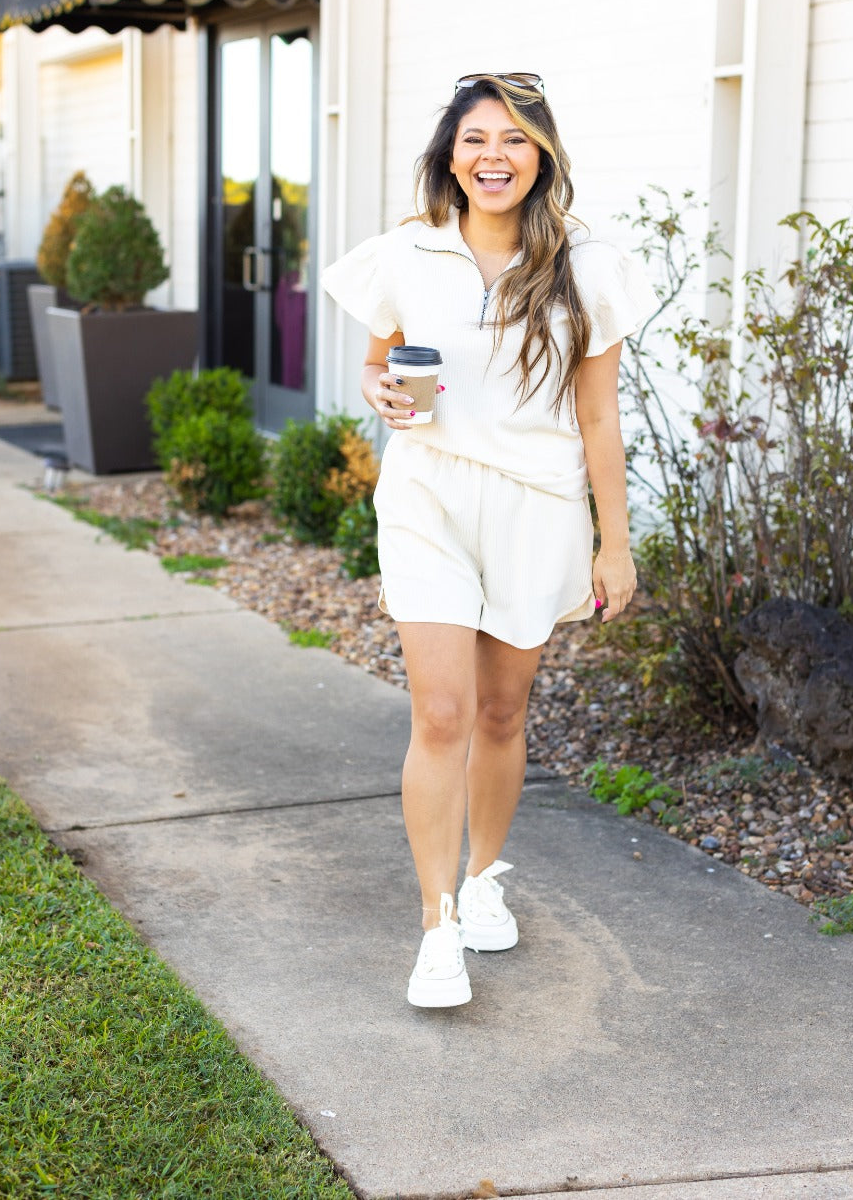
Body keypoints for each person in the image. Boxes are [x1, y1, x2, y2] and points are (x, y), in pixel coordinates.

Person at [322, 72, 658, 1008]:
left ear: (541, 154)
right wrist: (376, 388)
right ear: (450, 155)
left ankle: (482, 882)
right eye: (475, 139)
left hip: (537, 505)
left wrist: (613, 543)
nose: (492, 157)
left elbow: (599, 419)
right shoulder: (408, 252)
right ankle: (436, 928)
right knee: (441, 714)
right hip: (426, 494)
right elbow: (376, 360)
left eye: (512, 140)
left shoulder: (587, 266)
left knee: (503, 714)